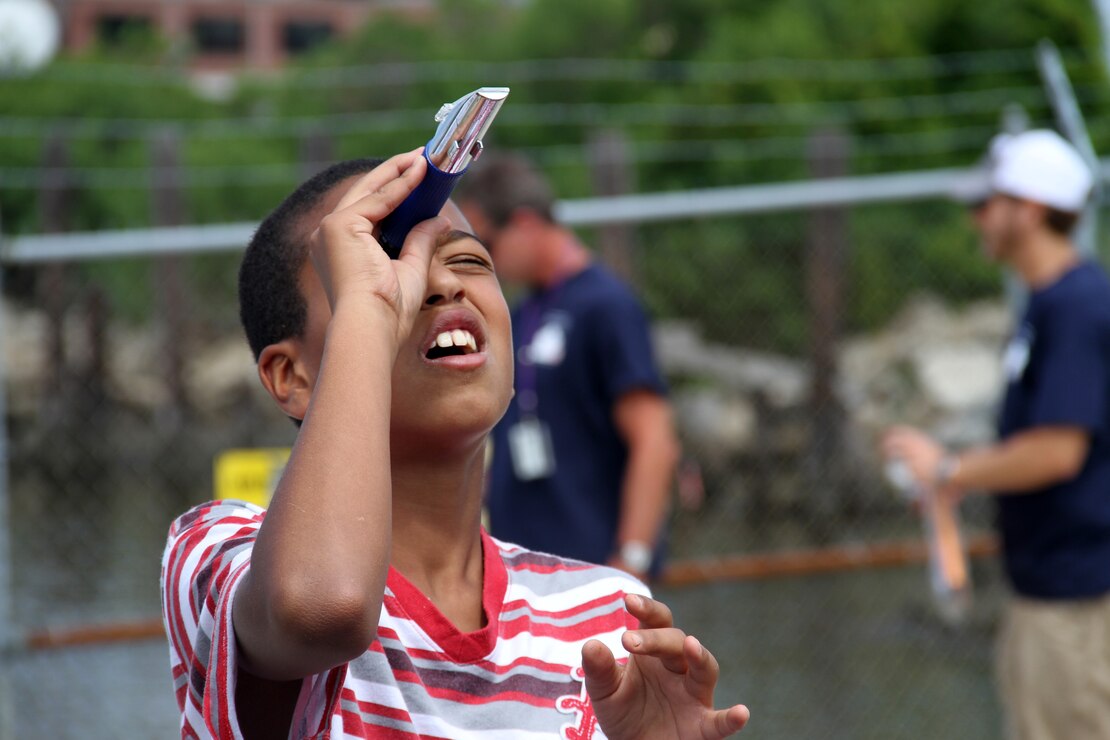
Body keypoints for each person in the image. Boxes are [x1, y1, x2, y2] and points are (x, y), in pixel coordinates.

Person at [160, 150, 749, 739]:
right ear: (292, 377)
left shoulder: (606, 613)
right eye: (385, 268)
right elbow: (325, 609)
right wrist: (371, 308)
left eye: (468, 260)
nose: (441, 283)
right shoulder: (221, 553)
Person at [881, 129, 1110, 740]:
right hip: (1049, 594)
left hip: (1077, 600)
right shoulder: (1048, 305)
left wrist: (948, 470)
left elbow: (1059, 451)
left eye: (988, 204)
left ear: (1029, 210)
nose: (976, 218)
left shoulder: (1076, 307)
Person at [455, 154, 679, 580]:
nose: (481, 260)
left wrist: (631, 563)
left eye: (486, 245)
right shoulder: (520, 313)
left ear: (525, 224)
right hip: (525, 571)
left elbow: (654, 439)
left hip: (594, 567)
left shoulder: (607, 306)